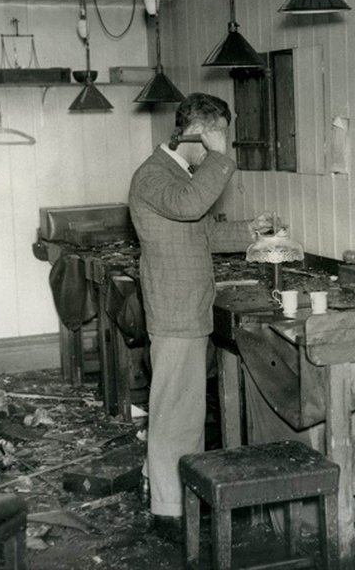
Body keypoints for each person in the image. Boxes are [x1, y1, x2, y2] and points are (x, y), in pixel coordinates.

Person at [128, 93, 277, 541]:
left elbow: (203, 231)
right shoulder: (153, 176)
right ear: (200, 132)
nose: (222, 146)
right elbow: (191, 206)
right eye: (218, 135)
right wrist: (220, 155)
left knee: (182, 410)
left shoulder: (177, 175)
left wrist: (250, 230)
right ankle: (169, 512)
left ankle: (166, 492)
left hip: (187, 306)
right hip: (174, 309)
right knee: (176, 412)